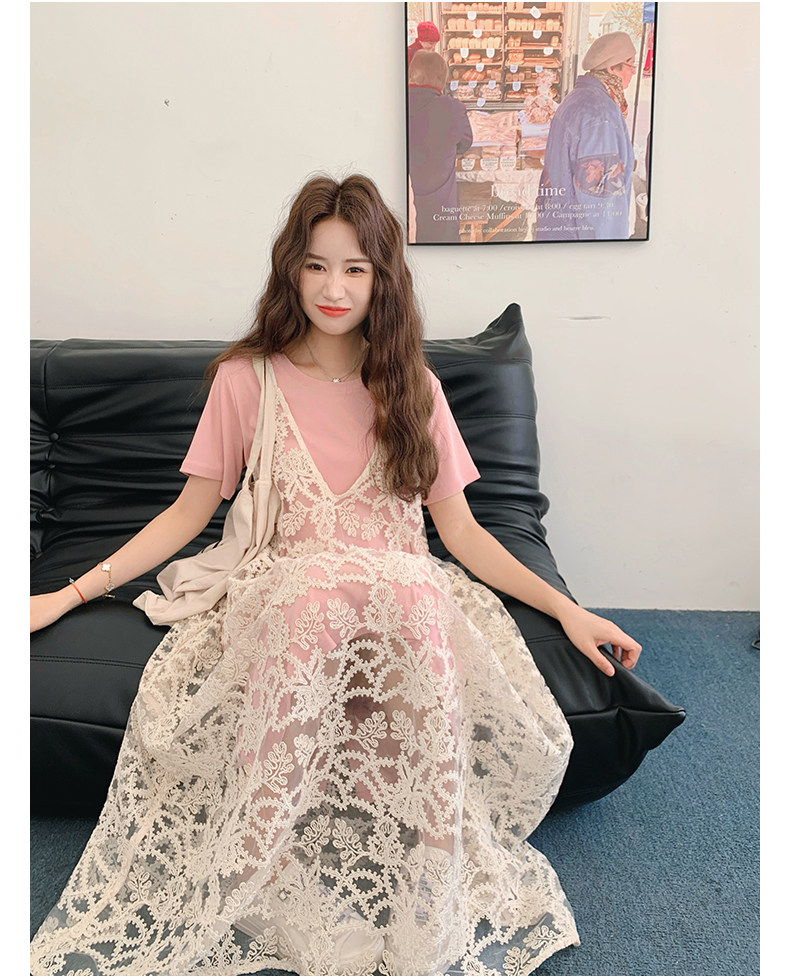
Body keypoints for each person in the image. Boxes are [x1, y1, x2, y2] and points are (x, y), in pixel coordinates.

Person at [30, 173, 641, 977]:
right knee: (313, 594)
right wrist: (65, 594)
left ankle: (427, 886)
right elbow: (185, 516)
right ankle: (272, 871)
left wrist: (569, 611)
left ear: (383, 279)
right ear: (291, 269)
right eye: (316, 265)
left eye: (355, 268)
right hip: (292, 597)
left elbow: (461, 532)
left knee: (415, 590)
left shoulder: (414, 387)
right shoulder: (245, 380)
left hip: (398, 601)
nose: (333, 287)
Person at [535, 31, 638, 240]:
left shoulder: (577, 97)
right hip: (579, 242)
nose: (634, 71)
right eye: (631, 64)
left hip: (558, 231)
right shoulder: (600, 114)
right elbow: (602, 205)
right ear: (611, 68)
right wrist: (608, 251)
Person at [408, 51, 473, 243]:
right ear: (441, 79)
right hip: (440, 211)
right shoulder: (452, 108)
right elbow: (465, 144)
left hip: (398, 207)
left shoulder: (393, 104)